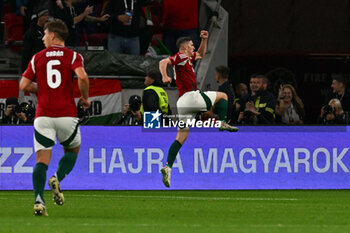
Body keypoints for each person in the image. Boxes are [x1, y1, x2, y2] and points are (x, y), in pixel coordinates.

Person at [19, 19, 90, 216]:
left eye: (44, 34)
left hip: (43, 116)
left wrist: (41, 89)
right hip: (66, 114)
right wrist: (85, 98)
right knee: (72, 151)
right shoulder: (73, 56)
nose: (42, 38)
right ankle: (57, 178)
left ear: (52, 35)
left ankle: (39, 201)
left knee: (41, 161)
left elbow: (23, 85)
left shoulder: (37, 58)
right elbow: (82, 77)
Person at [158, 31, 237, 188]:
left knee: (181, 137)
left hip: (183, 102)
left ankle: (167, 167)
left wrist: (204, 39)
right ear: (186, 47)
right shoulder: (180, 57)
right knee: (223, 96)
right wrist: (164, 76)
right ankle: (221, 122)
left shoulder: (187, 59)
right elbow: (163, 62)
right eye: (192, 45)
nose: (194, 47)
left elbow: (201, 54)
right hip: (191, 97)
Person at [21, 8, 50, 72]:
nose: (47, 18)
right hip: (35, 65)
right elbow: (26, 52)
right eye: (45, 15)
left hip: (48, 65)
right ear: (38, 18)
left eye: (48, 15)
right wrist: (25, 70)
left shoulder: (50, 32)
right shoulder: (31, 33)